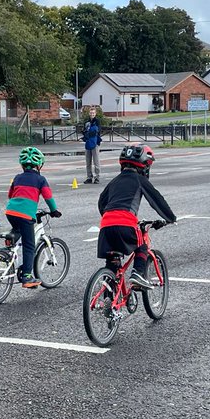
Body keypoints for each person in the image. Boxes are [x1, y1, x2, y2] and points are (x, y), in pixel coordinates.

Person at [97, 144, 176, 288]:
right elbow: (156, 199)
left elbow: (102, 202)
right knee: (142, 245)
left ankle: (109, 296)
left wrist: (111, 217)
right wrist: (170, 218)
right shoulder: (139, 179)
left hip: (106, 225)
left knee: (112, 265)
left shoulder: (114, 181)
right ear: (144, 165)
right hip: (125, 224)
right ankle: (138, 273)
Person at [3, 146, 62, 289]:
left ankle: (8, 251)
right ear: (39, 165)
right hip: (25, 215)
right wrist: (54, 210)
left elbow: (10, 195)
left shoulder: (17, 177)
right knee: (29, 246)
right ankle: (27, 276)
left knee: (17, 231)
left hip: (10, 212)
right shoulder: (40, 179)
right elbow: (48, 197)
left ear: (22, 165)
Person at [82, 109, 102, 183]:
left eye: (93, 113)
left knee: (96, 161)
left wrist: (90, 132)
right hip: (88, 142)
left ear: (95, 113)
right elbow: (84, 130)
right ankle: (89, 177)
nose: (92, 114)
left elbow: (98, 130)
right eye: (91, 113)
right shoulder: (86, 122)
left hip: (95, 143)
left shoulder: (97, 121)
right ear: (89, 113)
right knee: (88, 161)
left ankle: (97, 177)